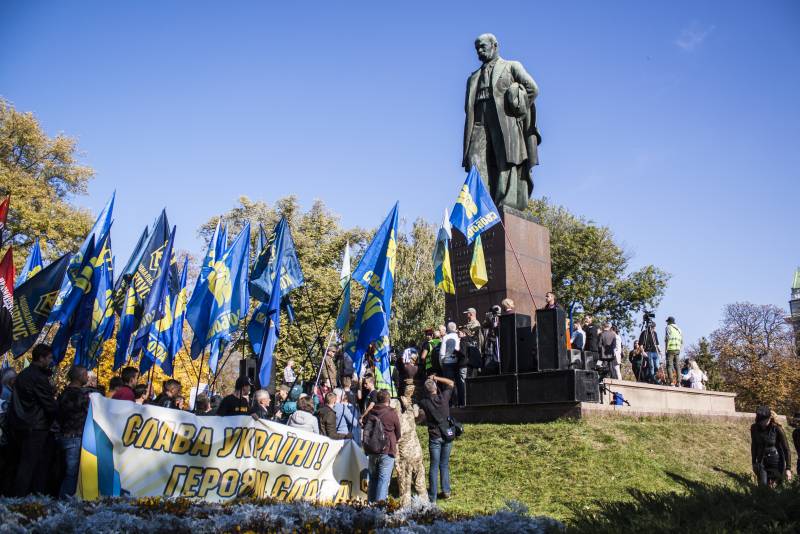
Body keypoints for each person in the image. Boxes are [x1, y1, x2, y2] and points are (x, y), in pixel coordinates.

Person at [464, 33, 540, 211]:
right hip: (479, 123)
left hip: (504, 120)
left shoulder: (511, 66)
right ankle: (482, 207)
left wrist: (518, 110)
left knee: (505, 160)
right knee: (475, 161)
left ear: (495, 46)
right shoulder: (473, 77)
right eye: (477, 49)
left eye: (483, 47)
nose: (479, 51)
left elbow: (533, 89)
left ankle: (506, 202)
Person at [6, 344, 58, 496]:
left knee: (18, 462)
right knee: (30, 465)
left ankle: (13, 494)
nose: (50, 361)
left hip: (19, 423)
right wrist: (56, 409)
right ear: (41, 358)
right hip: (35, 426)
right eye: (49, 358)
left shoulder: (23, 375)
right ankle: (22, 497)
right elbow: (48, 405)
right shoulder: (38, 377)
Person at [419, 374, 455, 503]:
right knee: (444, 464)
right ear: (436, 387)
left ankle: (432, 497)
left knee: (434, 466)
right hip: (447, 435)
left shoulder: (424, 402)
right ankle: (446, 491)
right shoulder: (444, 397)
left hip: (434, 437)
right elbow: (451, 382)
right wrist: (436, 378)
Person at [55, 365, 90, 498]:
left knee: (64, 471)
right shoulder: (80, 396)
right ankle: (64, 499)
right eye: (86, 374)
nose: (87, 377)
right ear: (80, 376)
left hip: (64, 435)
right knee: (72, 473)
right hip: (75, 437)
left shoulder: (63, 393)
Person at [393, 386, 428, 505]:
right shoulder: (411, 413)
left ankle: (406, 511)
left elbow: (396, 442)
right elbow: (415, 412)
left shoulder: (397, 419)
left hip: (405, 457)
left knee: (405, 488)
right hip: (416, 454)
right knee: (420, 484)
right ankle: (426, 507)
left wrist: (396, 462)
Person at [364, 389, 401, 502]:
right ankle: (379, 510)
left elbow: (365, 425)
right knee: (383, 479)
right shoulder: (391, 413)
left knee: (373, 478)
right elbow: (398, 432)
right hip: (387, 449)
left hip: (372, 449)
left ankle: (370, 507)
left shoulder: (371, 412)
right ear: (388, 400)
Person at [751, 406, 792, 487]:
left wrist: (788, 468)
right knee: (763, 487)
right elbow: (754, 445)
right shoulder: (754, 428)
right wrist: (753, 462)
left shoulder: (777, 429)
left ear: (769, 418)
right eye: (760, 421)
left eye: (764, 421)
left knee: (775, 487)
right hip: (761, 461)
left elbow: (786, 449)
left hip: (776, 462)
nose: (762, 423)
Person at [439, 322, 461, 407]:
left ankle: (449, 403)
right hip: (456, 363)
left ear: (447, 329)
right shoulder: (458, 337)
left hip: (447, 363)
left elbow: (442, 353)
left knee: (448, 384)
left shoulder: (445, 337)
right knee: (456, 383)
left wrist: (442, 364)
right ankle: (457, 403)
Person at [664, 317, 683, 386]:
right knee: (677, 366)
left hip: (671, 349)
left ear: (669, 322)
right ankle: (679, 382)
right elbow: (682, 341)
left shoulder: (668, 327)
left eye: (667, 321)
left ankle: (671, 381)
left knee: (669, 365)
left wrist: (666, 348)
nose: (667, 323)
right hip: (677, 349)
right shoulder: (679, 329)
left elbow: (667, 338)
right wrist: (680, 348)